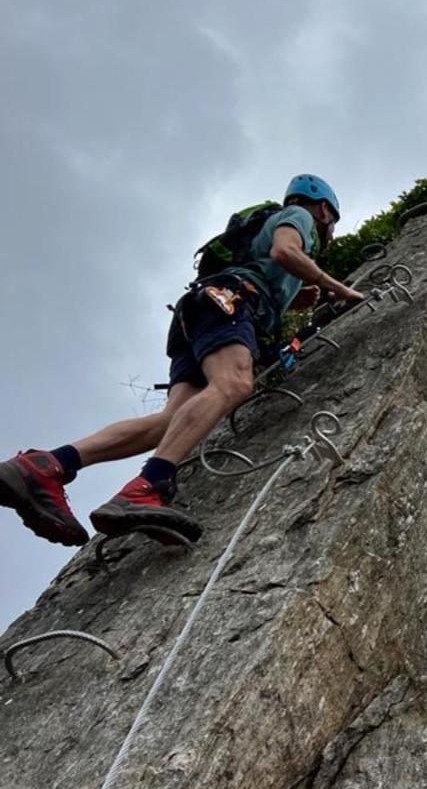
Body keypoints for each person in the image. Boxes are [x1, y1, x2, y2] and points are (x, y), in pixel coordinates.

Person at [0, 174, 365, 548]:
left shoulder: (262, 230)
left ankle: (44, 466)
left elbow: (272, 263)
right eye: (332, 222)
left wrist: (299, 295)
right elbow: (284, 252)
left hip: (201, 309)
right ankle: (148, 486)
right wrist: (341, 288)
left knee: (168, 420)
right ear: (324, 209)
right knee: (234, 382)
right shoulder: (300, 218)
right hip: (232, 301)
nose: (330, 231)